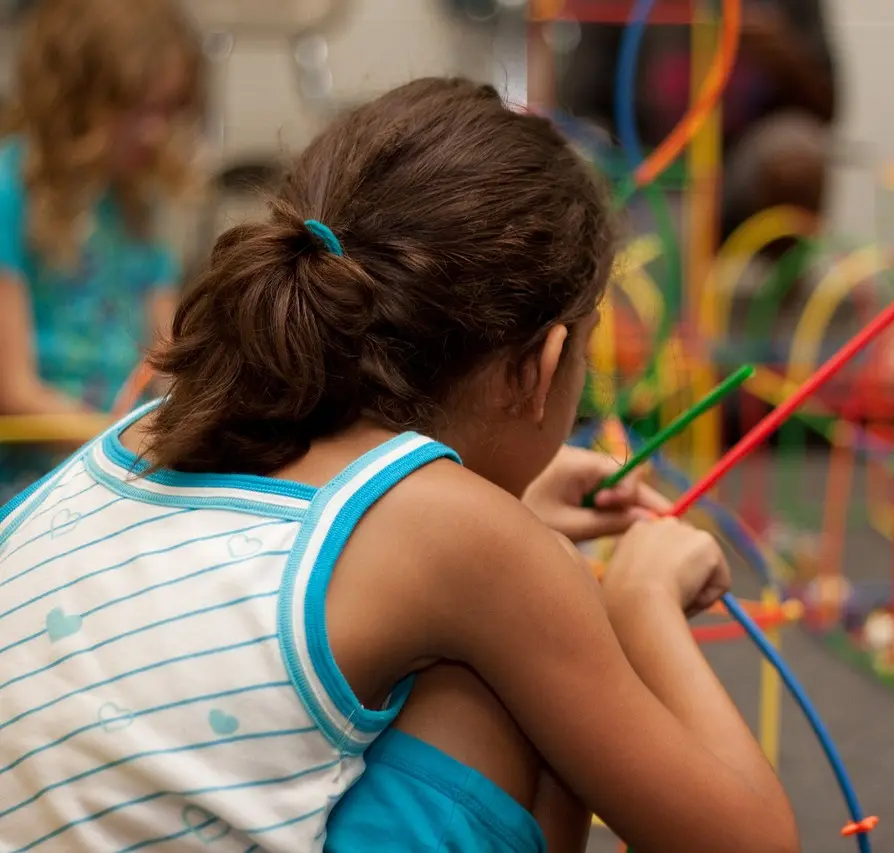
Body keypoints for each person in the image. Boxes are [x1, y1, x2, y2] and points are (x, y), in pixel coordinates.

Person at [0, 77, 799, 853]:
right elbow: (752, 843)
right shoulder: (471, 543)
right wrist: (640, 599)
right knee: (502, 679)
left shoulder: (161, 421)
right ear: (543, 364)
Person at [0, 0, 203, 501]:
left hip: (117, 457)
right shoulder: (10, 192)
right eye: (138, 108)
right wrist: (133, 449)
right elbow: (14, 392)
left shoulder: (138, 204)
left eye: (168, 109)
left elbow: (168, 362)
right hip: (33, 479)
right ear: (77, 97)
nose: (156, 131)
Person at [560, 0, 837, 243]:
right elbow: (577, 102)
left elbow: (827, 107)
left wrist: (779, 49)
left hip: (745, 166)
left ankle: (778, 293)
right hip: (650, 170)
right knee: (671, 247)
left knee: (795, 163)